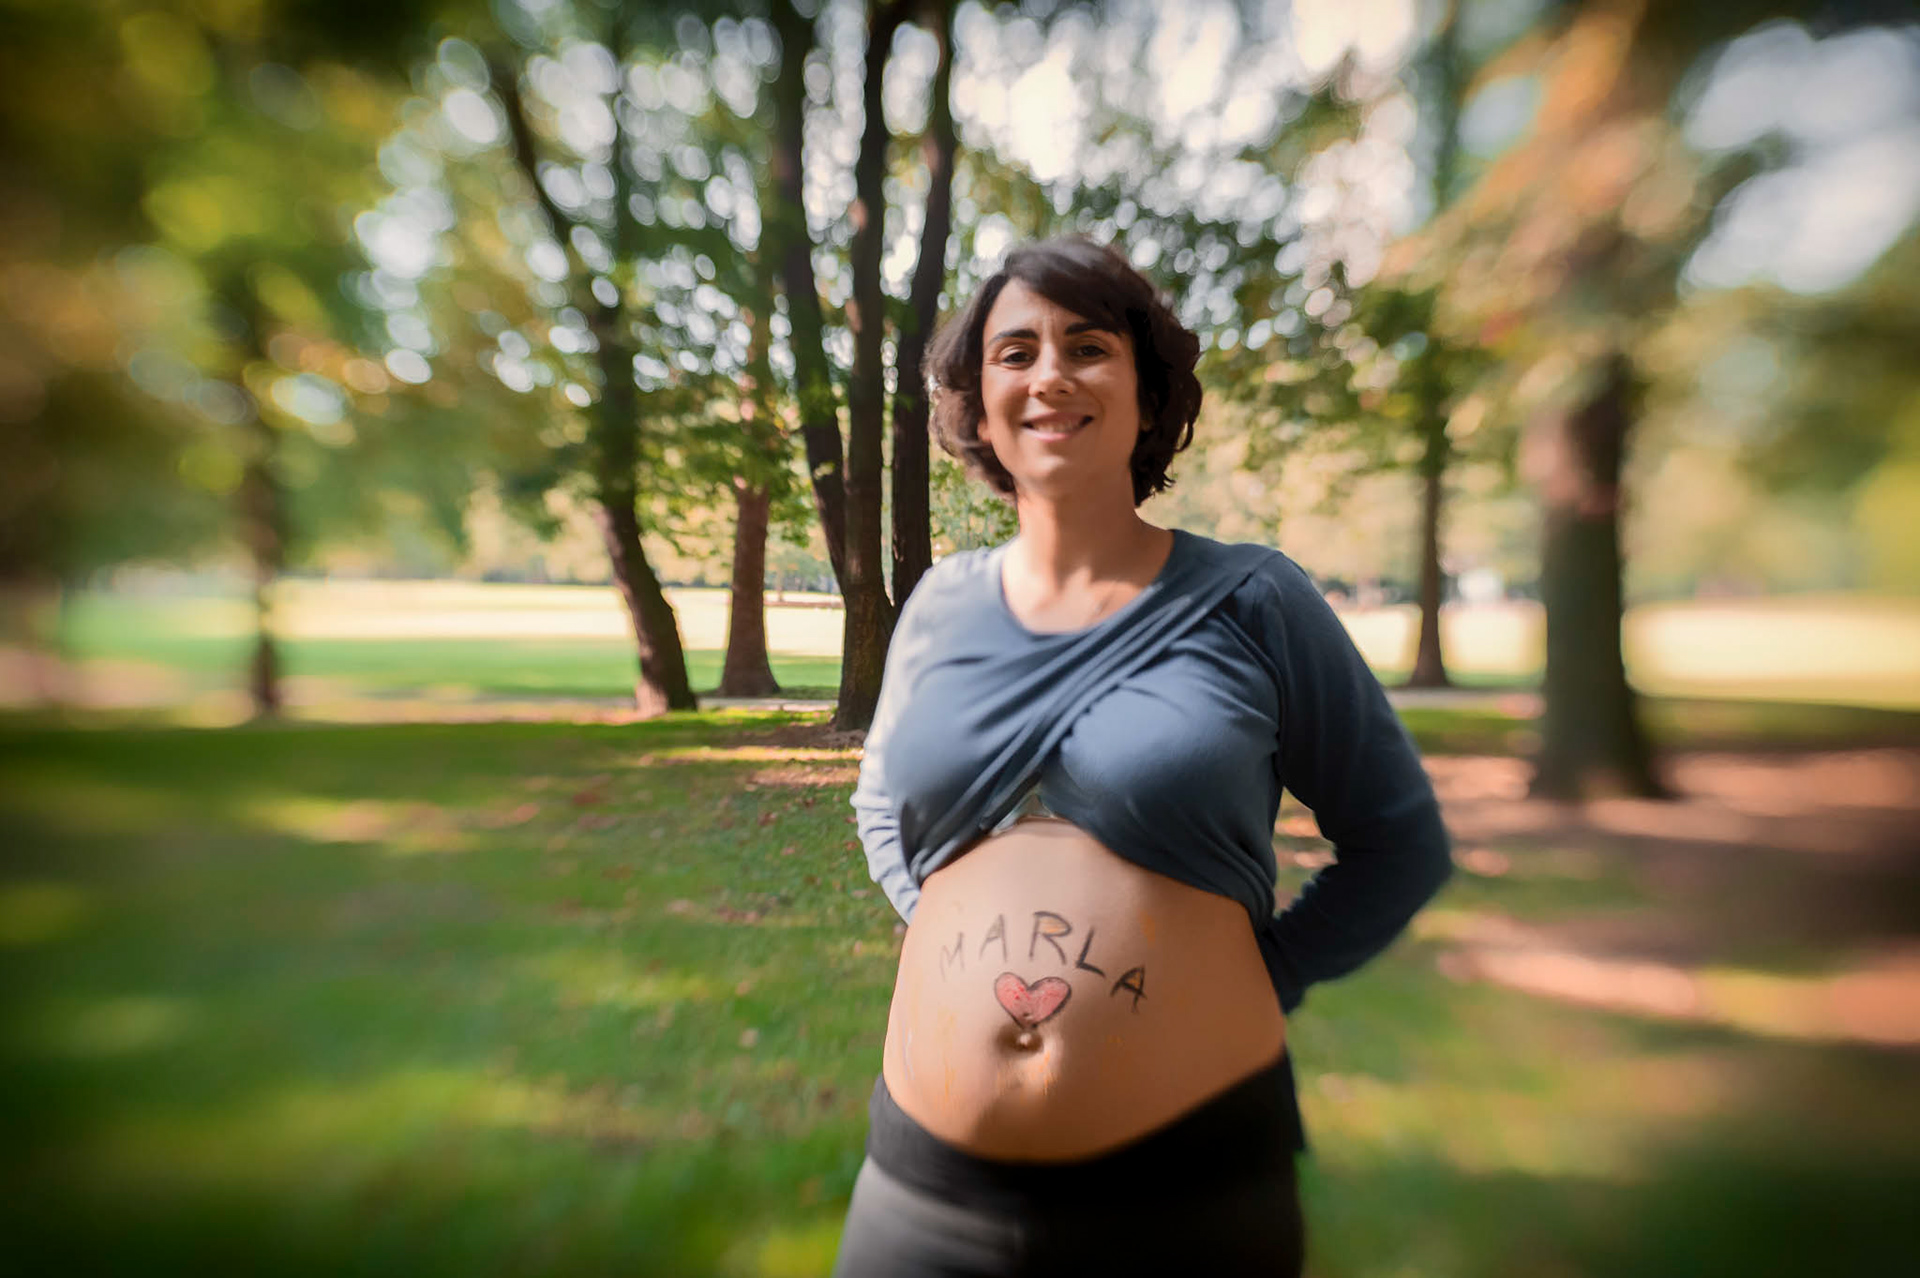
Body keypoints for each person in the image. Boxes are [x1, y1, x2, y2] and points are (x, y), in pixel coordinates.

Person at [832, 237, 1453, 1277]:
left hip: (1187, 1199)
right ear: (979, 400)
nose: (1049, 376)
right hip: (923, 1198)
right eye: (1015, 352)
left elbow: (1401, 842)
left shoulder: (1255, 599)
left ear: (1147, 391)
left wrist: (1258, 975)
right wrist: (953, 933)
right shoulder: (938, 607)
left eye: (1088, 347)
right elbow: (877, 805)